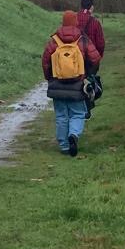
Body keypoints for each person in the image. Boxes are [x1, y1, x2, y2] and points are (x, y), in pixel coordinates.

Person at [42, 10, 101, 157]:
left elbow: (45, 61)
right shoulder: (82, 39)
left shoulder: (54, 41)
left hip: (57, 83)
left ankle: (64, 146)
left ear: (63, 22)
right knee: (77, 114)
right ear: (76, 22)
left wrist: (49, 77)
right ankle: (73, 135)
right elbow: (95, 58)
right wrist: (88, 74)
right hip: (77, 84)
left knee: (61, 116)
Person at [77, 0, 106, 116]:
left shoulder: (74, 20)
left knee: (77, 81)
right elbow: (100, 43)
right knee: (88, 82)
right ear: (91, 7)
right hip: (90, 60)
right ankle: (87, 107)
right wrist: (97, 57)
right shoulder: (95, 22)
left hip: (75, 57)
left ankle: (76, 107)